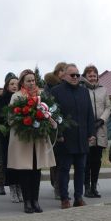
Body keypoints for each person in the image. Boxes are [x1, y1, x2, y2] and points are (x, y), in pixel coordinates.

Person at [7, 69, 56, 213]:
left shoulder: (41, 95)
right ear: (22, 82)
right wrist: (26, 121)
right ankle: (27, 201)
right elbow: (11, 118)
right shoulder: (16, 96)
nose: (31, 83)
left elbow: (48, 113)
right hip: (23, 140)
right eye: (28, 80)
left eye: (33, 80)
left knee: (36, 170)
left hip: (38, 139)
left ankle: (35, 200)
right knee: (25, 171)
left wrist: (42, 120)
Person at [50, 63, 95, 208]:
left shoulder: (84, 91)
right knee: (64, 170)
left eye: (77, 75)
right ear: (64, 76)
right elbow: (53, 115)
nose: (75, 77)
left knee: (81, 169)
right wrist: (58, 134)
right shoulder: (56, 91)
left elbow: (89, 114)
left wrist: (91, 133)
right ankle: (64, 198)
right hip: (65, 138)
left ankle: (78, 197)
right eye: (72, 75)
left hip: (82, 137)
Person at [82, 65, 110, 198]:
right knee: (86, 161)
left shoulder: (103, 90)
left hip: (100, 128)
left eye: (94, 75)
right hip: (87, 129)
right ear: (85, 77)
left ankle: (94, 186)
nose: (92, 78)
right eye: (90, 76)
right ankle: (86, 187)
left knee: (96, 161)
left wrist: (102, 120)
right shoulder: (82, 89)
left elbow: (108, 107)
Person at [43, 61, 67, 200]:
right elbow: (47, 105)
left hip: (68, 124)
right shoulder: (49, 86)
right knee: (56, 159)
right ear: (57, 72)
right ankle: (57, 186)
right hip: (54, 125)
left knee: (64, 160)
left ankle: (60, 185)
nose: (64, 73)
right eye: (62, 70)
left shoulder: (69, 85)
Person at [0, 73, 21, 202]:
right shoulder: (1, 99)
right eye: (11, 84)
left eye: (16, 84)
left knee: (20, 162)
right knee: (9, 161)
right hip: (7, 134)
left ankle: (19, 187)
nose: (14, 86)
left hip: (20, 135)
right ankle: (12, 187)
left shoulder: (22, 98)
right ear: (7, 86)